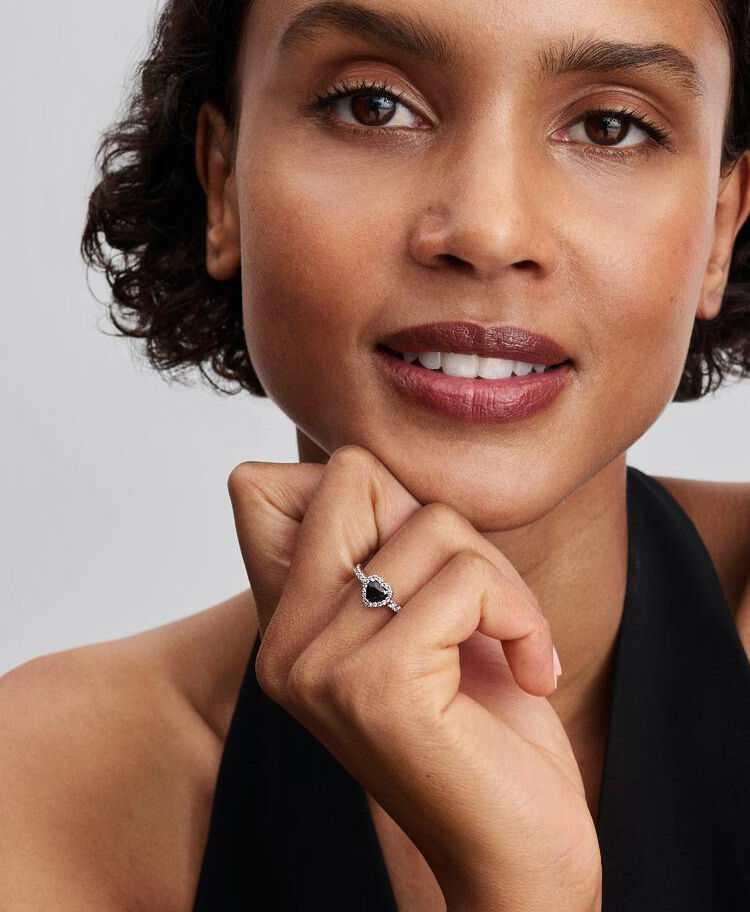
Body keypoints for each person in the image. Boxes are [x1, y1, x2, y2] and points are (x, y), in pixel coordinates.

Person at [2, 0, 750, 909]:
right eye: (373, 107)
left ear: (719, 228)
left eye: (609, 126)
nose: (487, 230)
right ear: (222, 180)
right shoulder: (40, 792)